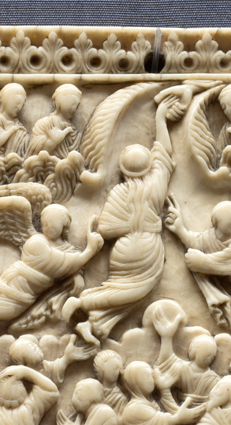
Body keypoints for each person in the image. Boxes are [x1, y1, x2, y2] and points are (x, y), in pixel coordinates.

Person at [62, 92, 183, 345]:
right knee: (138, 289)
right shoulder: (156, 184)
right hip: (147, 247)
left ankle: (96, 324)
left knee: (124, 290)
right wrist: (161, 118)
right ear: (148, 166)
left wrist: (116, 227)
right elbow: (163, 151)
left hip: (124, 249)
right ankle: (83, 302)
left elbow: (107, 230)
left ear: (123, 170)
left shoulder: (119, 191)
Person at [0, 204, 104, 333]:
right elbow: (62, 264)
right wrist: (90, 250)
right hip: (20, 282)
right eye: (45, 223)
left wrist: (84, 262)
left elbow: (74, 266)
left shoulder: (65, 248)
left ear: (64, 226)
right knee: (8, 309)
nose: (47, 226)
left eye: (53, 223)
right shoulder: (37, 242)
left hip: (29, 289)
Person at [25, 84, 82, 159]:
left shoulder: (74, 132)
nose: (75, 108)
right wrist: (53, 141)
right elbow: (33, 153)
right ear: (60, 101)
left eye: (77, 105)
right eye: (73, 103)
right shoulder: (44, 124)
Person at [93, 350, 127, 415]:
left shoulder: (120, 399)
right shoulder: (93, 391)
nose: (117, 372)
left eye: (119, 368)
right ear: (101, 368)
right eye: (114, 368)